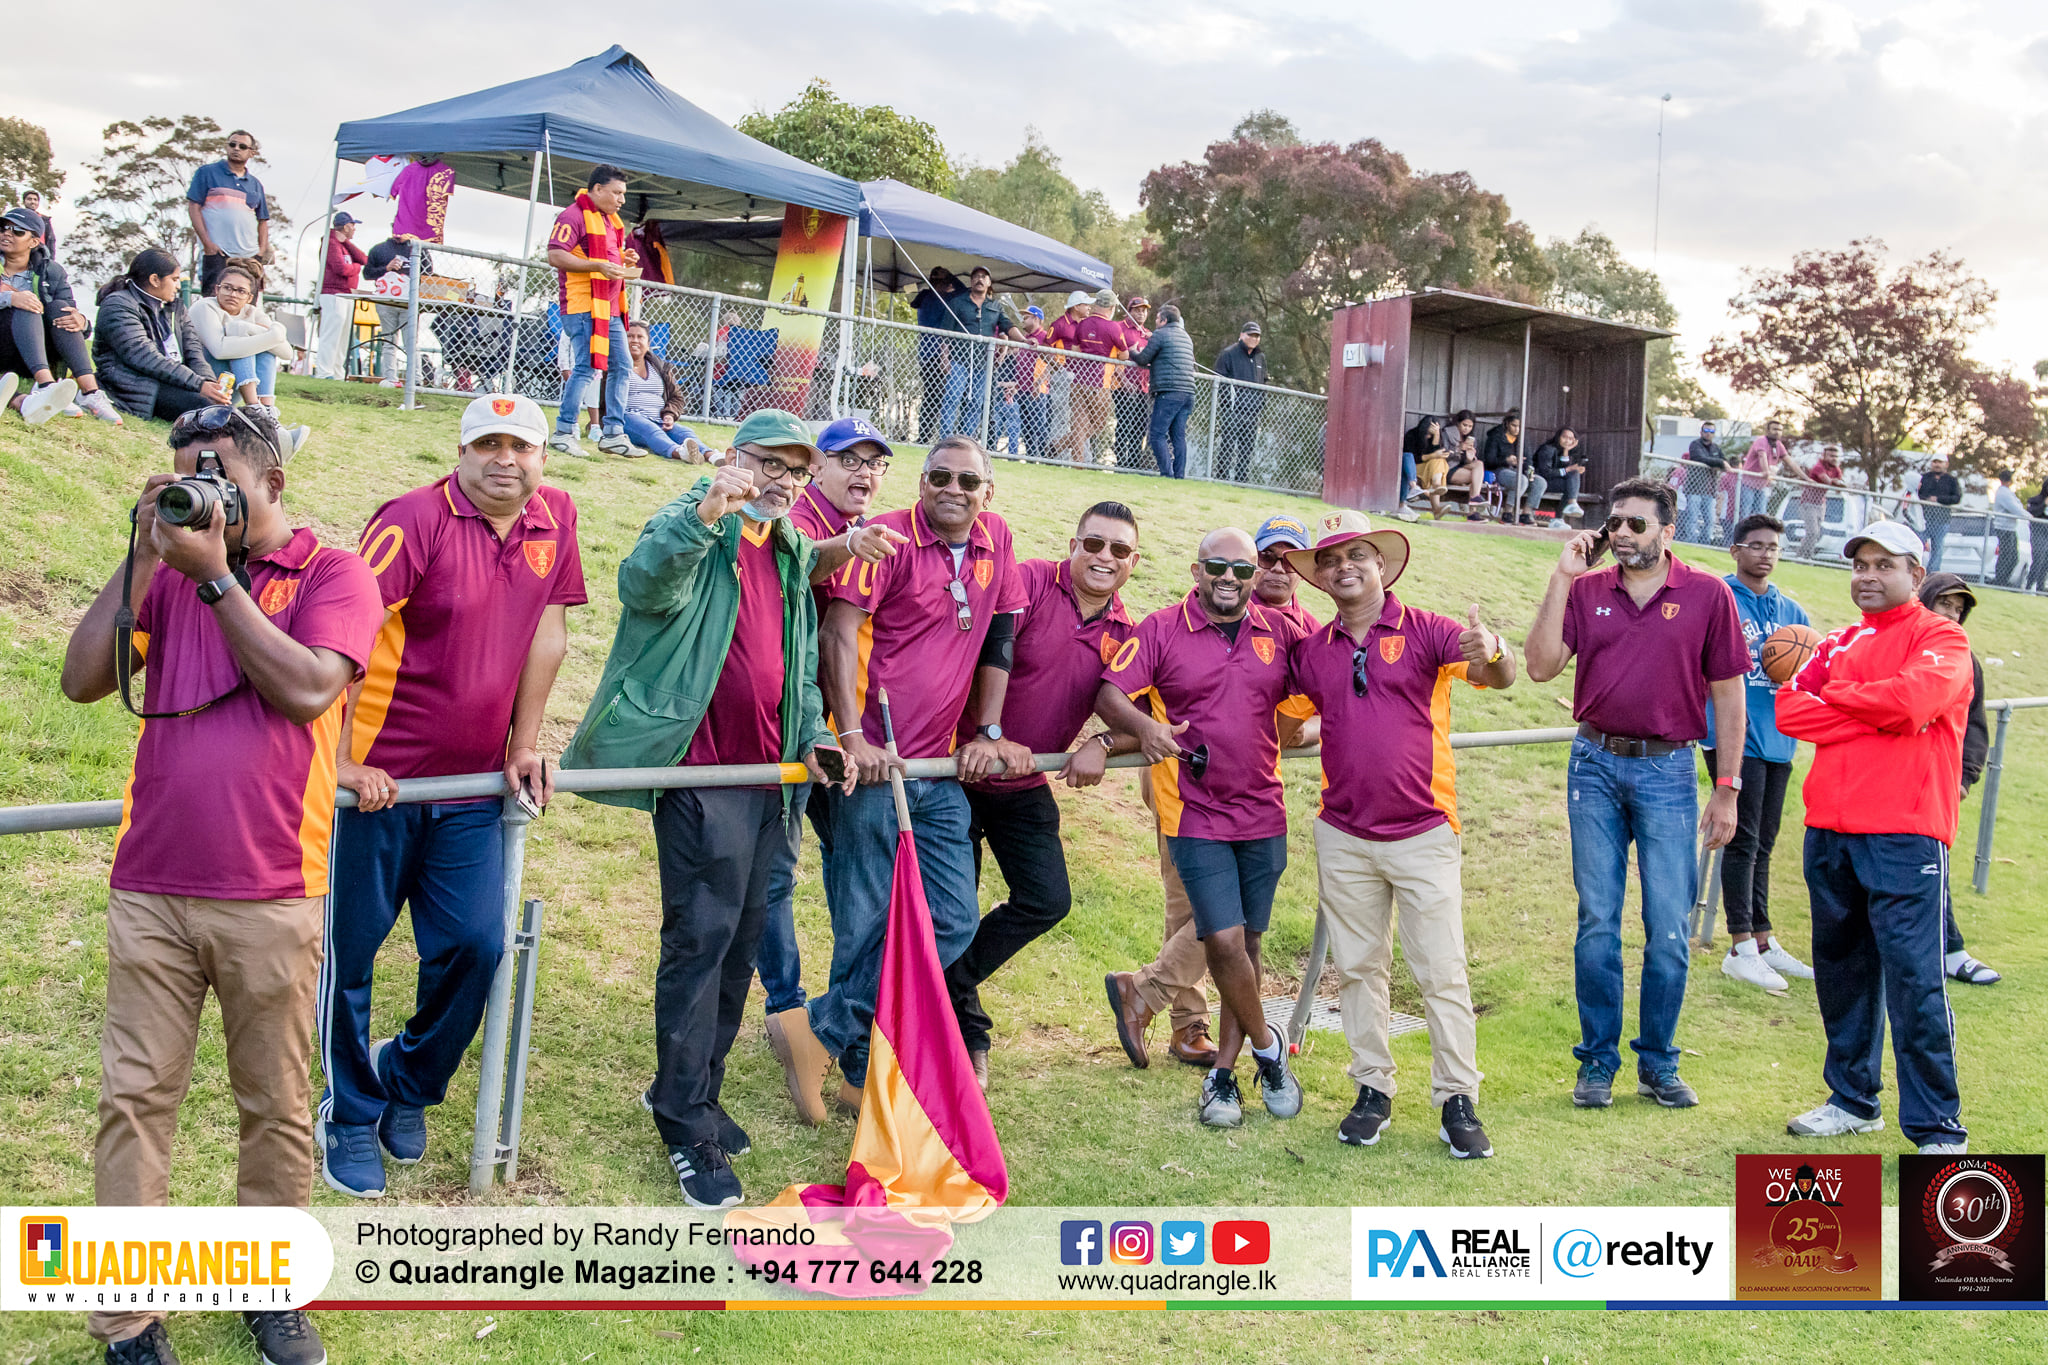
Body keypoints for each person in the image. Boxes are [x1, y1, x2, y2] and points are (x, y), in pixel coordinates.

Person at [59, 401, 382, 1365]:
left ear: (271, 484)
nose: (201, 494)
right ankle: (127, 1318)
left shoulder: (333, 572)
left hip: (273, 887)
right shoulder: (167, 569)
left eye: (216, 477)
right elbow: (82, 680)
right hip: (151, 882)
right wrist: (145, 553)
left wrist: (215, 585)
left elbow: (308, 688)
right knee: (134, 1100)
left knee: (275, 1102)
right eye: (183, 477)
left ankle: (271, 1292)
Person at [560, 410, 898, 1204]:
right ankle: (684, 1123)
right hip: (701, 774)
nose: (780, 480)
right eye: (766, 464)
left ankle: (694, 1092)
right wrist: (706, 507)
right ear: (733, 460)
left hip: (771, 779)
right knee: (700, 940)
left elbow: (801, 661)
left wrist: (814, 735)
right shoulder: (703, 521)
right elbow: (641, 583)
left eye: (793, 469)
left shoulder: (782, 547)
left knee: (742, 942)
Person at [314, 395, 585, 1198]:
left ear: (543, 457)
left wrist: (523, 742)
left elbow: (548, 632)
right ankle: (350, 1110)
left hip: (469, 787)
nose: (506, 459)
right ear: (460, 451)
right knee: (349, 951)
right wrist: (339, 761)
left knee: (476, 944)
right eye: (488, 444)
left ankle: (406, 1078)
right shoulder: (410, 519)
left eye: (522, 446)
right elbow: (342, 636)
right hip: (378, 787)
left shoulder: (557, 518)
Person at [772, 435, 1031, 1123]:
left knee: (952, 919)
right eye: (939, 476)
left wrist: (993, 729)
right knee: (863, 921)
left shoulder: (997, 539)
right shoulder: (884, 535)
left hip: (936, 766)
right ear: (921, 481)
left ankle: (819, 1029)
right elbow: (838, 631)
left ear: (987, 492)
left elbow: (1000, 633)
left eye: (968, 480)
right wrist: (854, 737)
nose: (953, 488)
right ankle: (858, 1067)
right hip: (872, 765)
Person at [1283, 510, 1515, 1157]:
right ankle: (1372, 1087)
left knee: (1441, 969)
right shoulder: (1314, 650)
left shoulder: (1429, 630)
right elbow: (1283, 721)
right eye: (1331, 559)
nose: (1344, 566)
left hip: (1423, 831)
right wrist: (1298, 730)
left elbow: (1501, 676)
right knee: (1358, 969)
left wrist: (1491, 650)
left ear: (1381, 565)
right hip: (1344, 832)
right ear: (1322, 577)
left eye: (1358, 554)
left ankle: (1457, 1097)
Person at [1524, 477, 1749, 1111]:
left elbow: (1730, 699)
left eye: (1636, 525)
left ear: (1668, 532)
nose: (1620, 534)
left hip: (1670, 772)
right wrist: (1562, 577)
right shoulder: (1588, 589)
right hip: (1593, 764)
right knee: (1596, 921)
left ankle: (1658, 1062)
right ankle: (1597, 1063)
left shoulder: (1708, 595)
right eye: (1613, 523)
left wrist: (1726, 788)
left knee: (1668, 927)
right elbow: (1540, 666)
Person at [1097, 526, 1314, 1128]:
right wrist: (1140, 730)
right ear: (1197, 571)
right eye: (1218, 567)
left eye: (1243, 570)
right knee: (1220, 939)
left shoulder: (1284, 631)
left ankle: (1224, 1075)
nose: (1231, 578)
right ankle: (1268, 1052)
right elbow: (1110, 691)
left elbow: (1333, 683)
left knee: (1246, 948)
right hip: (1197, 814)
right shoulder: (1163, 628)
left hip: (1263, 813)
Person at [1776, 522, 1971, 1154]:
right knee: (1841, 974)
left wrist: (1842, 702)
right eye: (1860, 564)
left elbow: (1917, 701)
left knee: (1916, 982)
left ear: (1916, 574)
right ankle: (1852, 1099)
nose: (1867, 575)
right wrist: (1871, 712)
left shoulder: (1941, 635)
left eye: (1883, 564)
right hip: (1830, 829)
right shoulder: (1838, 641)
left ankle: (1937, 1127)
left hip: (1905, 834)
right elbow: (1788, 710)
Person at [949, 502, 1143, 1088]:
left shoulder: (1125, 632)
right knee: (951, 914)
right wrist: (991, 732)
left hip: (1024, 784)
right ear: (1073, 543)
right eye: (1094, 543)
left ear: (1134, 561)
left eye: (1119, 550)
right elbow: (990, 649)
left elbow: (1150, 715)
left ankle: (947, 990)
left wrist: (1104, 742)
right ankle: (968, 1032)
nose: (1104, 557)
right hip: (954, 769)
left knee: (1047, 899)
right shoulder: (1030, 579)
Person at [758, 417, 895, 1054]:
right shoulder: (799, 517)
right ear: (820, 466)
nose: (864, 472)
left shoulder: (861, 530)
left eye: (876, 462)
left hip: (831, 731)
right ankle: (788, 1009)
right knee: (777, 871)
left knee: (851, 871)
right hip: (777, 724)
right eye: (849, 459)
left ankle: (838, 1020)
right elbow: (800, 567)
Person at [1703, 515, 1816, 991]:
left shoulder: (1794, 613)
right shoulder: (1718, 598)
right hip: (1734, 737)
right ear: (1735, 550)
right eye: (1756, 545)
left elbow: (1810, 673)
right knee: (1742, 840)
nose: (1766, 554)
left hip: (1778, 736)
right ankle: (1739, 946)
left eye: (1773, 546)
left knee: (1764, 843)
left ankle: (1764, 939)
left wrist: (1795, 673)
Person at [1916, 574, 2001, 986]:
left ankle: (1951, 949)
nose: (1951, 613)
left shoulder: (1964, 658)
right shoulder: (1898, 646)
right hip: (1886, 783)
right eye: (1944, 604)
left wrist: (1964, 777)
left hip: (1936, 787)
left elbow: (1976, 726)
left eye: (1957, 608)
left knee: (1934, 866)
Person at [546, 165, 640, 458]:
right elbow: (555, 254)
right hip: (583, 307)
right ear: (597, 189)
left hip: (609, 310)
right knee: (587, 368)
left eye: (623, 194)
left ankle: (613, 433)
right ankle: (563, 431)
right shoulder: (572, 215)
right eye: (617, 193)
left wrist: (623, 259)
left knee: (623, 366)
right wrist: (598, 266)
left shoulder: (610, 221)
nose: (621, 200)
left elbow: (604, 256)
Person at [0, 205, 122, 424]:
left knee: (60, 308)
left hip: (35, 348)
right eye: (3, 228)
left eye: (17, 231)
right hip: (3, 343)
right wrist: (11, 298)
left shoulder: (51, 271)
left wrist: (82, 322)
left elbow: (72, 312)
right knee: (27, 302)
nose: (7, 233)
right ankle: (45, 386)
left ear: (34, 241)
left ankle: (90, 392)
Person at [92, 249, 232, 421]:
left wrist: (209, 384)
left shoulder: (176, 308)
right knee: (212, 411)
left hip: (176, 381)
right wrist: (199, 385)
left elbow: (194, 353)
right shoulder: (118, 304)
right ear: (155, 280)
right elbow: (144, 356)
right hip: (139, 385)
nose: (178, 286)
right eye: (174, 279)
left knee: (220, 409)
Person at [190, 258, 296, 422]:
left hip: (231, 388)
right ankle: (254, 407)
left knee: (261, 347)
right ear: (217, 289)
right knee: (241, 337)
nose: (233, 294)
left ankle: (267, 411)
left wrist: (264, 333)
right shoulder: (204, 307)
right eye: (227, 288)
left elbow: (287, 353)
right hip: (204, 383)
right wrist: (267, 334)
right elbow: (219, 350)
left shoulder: (253, 312)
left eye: (240, 291)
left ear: (249, 297)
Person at [941, 265, 1026, 439]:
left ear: (989, 282)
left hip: (982, 364)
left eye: (983, 277)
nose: (979, 279)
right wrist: (944, 358)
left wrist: (1024, 341)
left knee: (976, 403)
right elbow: (945, 333)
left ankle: (965, 440)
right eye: (976, 276)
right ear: (971, 281)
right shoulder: (957, 302)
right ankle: (946, 438)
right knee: (952, 398)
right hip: (959, 360)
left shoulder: (995, 306)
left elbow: (1007, 326)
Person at [184, 130, 270, 297]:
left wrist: (260, 252)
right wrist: (208, 244)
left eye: (242, 146)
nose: (236, 148)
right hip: (218, 253)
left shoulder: (256, 184)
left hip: (249, 256)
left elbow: (263, 220)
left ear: (251, 152)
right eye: (232, 144)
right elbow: (194, 207)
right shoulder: (207, 173)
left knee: (247, 307)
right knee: (213, 302)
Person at [1051, 292, 1125, 464]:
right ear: (1112, 307)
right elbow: (1124, 355)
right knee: (1099, 423)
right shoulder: (1113, 327)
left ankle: (1067, 454)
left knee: (1079, 423)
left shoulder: (1082, 324)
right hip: (1100, 383)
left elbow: (1075, 351)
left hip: (1079, 381)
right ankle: (1064, 449)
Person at [617, 321, 703, 460]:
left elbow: (677, 397)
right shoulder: (615, 365)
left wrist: (669, 414)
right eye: (630, 336)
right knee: (651, 431)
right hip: (628, 418)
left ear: (648, 343)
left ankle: (712, 456)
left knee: (685, 432)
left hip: (658, 419)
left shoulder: (659, 367)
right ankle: (679, 453)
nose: (635, 340)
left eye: (640, 337)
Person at [1130, 303, 1196, 478]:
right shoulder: (1186, 337)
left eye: (1157, 318)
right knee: (1178, 436)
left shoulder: (1160, 334)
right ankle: (1179, 475)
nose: (1156, 322)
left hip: (1169, 391)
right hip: (1188, 392)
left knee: (1156, 434)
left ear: (1164, 320)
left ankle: (1166, 473)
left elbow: (1144, 359)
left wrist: (1133, 352)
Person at [910, 266, 965, 443]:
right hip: (937, 353)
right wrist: (952, 277)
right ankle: (926, 436)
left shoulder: (925, 296)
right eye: (940, 282)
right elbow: (965, 292)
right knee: (936, 396)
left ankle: (925, 435)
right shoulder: (940, 298)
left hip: (929, 353)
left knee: (933, 396)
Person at [315, 212, 367, 381]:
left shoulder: (341, 244)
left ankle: (336, 371)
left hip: (345, 293)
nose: (355, 230)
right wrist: (356, 268)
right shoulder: (330, 243)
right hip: (333, 292)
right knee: (331, 334)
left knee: (342, 337)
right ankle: (324, 371)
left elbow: (363, 258)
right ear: (346, 227)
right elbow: (341, 269)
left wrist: (347, 243)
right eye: (353, 226)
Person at [1214, 323, 1268, 483]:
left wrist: (1260, 404)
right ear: (1241, 335)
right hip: (1233, 411)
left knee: (1247, 448)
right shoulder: (1228, 354)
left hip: (1253, 413)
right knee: (1228, 445)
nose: (1254, 339)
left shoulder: (1260, 357)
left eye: (1257, 336)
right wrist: (1227, 404)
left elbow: (1264, 382)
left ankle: (1241, 481)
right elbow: (1220, 381)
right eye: (1251, 335)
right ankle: (1222, 478)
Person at [1113, 295, 1153, 469]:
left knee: (1140, 425)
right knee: (1124, 423)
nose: (1141, 314)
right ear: (1129, 311)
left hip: (1142, 387)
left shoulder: (1148, 334)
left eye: (1144, 311)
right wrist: (1123, 380)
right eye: (1137, 310)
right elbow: (1112, 357)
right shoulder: (1119, 328)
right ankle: (1121, 460)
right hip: (1123, 386)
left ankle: (1134, 463)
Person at [1788, 444, 1846, 560]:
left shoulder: (1835, 469)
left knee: (1816, 533)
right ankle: (1807, 557)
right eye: (1831, 456)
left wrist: (1838, 482)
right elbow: (1828, 481)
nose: (1834, 458)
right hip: (1808, 503)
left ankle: (1799, 556)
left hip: (1820, 504)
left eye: (1836, 456)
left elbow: (1842, 484)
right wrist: (1836, 482)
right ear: (1824, 455)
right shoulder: (1819, 467)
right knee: (1812, 532)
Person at [1480, 412, 1538, 524]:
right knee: (1520, 480)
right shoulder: (1495, 437)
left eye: (1520, 426)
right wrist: (1506, 460)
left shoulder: (1522, 439)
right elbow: (1490, 460)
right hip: (1498, 471)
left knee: (1540, 482)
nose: (1517, 429)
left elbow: (1529, 460)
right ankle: (1508, 512)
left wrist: (1529, 471)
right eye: (1514, 425)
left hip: (1518, 471)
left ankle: (1525, 514)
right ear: (1507, 424)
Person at [391, 154, 456, 244]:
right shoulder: (446, 172)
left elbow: (393, 192)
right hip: (430, 232)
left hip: (406, 229)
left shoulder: (408, 170)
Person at [1682, 420, 1728, 544]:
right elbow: (1700, 458)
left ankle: (1705, 543)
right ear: (1701, 432)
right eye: (1706, 430)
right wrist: (1718, 463)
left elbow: (1724, 460)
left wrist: (1718, 463)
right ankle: (1691, 542)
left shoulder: (1716, 448)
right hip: (1694, 489)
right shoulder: (1695, 445)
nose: (1708, 433)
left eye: (1711, 431)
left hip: (1710, 491)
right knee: (1693, 517)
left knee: (1709, 519)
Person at [1016, 304, 1052, 460]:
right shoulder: (1024, 338)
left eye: (1026, 317)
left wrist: (1039, 382)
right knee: (1026, 427)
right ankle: (1031, 457)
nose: (1023, 320)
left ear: (1036, 319)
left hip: (1038, 389)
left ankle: (1044, 457)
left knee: (1039, 426)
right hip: (1022, 388)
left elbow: (1051, 363)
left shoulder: (1044, 337)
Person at [1915, 455, 1962, 571]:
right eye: (1935, 462)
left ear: (1946, 464)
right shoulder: (1923, 478)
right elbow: (1916, 495)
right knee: (1917, 546)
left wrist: (1938, 499)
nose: (1937, 465)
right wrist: (1926, 499)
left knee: (1937, 549)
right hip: (1923, 520)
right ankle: (1915, 570)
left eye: (1940, 462)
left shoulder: (1951, 481)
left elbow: (1956, 498)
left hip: (1941, 521)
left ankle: (1932, 574)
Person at [1533, 426, 1588, 520]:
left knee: (1571, 486)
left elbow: (1564, 469)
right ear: (1558, 437)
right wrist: (1568, 469)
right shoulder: (1548, 449)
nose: (1567, 441)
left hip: (1552, 482)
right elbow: (1545, 472)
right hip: (1540, 482)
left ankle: (1560, 518)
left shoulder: (1563, 451)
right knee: (1572, 481)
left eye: (1570, 439)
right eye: (1564, 437)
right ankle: (1569, 507)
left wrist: (1566, 451)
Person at [1740, 419, 1790, 521]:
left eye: (1780, 430)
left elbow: (1790, 462)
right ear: (1768, 430)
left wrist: (1806, 478)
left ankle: (1757, 535)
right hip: (1748, 483)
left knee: (1761, 514)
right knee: (1746, 513)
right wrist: (1766, 471)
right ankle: (1743, 536)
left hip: (1761, 486)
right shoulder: (1761, 440)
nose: (1777, 432)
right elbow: (1762, 456)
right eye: (1774, 429)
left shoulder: (1779, 445)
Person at [1402, 415, 1449, 519]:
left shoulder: (1436, 436)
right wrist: (1433, 455)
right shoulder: (1412, 435)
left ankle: (1437, 486)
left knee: (1439, 460)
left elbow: (1435, 453)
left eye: (1431, 434)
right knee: (1436, 459)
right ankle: (1436, 507)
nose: (1429, 436)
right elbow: (1410, 458)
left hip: (1430, 470)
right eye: (1427, 434)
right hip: (1414, 469)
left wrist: (1436, 435)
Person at [1443, 411, 1485, 514]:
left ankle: (1475, 498)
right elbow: (1443, 454)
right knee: (1475, 479)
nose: (1467, 428)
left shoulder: (1470, 438)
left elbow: (1465, 461)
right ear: (1458, 423)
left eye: (1470, 426)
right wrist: (1459, 449)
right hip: (1448, 468)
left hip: (1462, 467)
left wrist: (1470, 457)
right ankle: (1473, 513)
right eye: (1464, 425)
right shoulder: (1447, 433)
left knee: (1479, 464)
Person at [1989, 468, 2026, 586]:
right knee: (2006, 556)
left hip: (2011, 528)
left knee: (2014, 557)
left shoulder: (2009, 493)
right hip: (2004, 528)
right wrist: (2031, 517)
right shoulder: (2003, 493)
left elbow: (2018, 506)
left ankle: (2004, 580)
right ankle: (2000, 581)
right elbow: (2015, 509)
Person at [2027, 477, 2048, 593]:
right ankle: (2029, 586)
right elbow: (2032, 513)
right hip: (2038, 533)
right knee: (2038, 559)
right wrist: (2044, 504)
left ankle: (2040, 588)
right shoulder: (2036, 500)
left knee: (2045, 563)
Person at [21, 188, 54, 254]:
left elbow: (51, 240)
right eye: (29, 199)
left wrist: (51, 259)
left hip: (39, 251)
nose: (32, 202)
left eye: (35, 199)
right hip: (21, 250)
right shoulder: (18, 217)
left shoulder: (45, 220)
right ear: (24, 201)